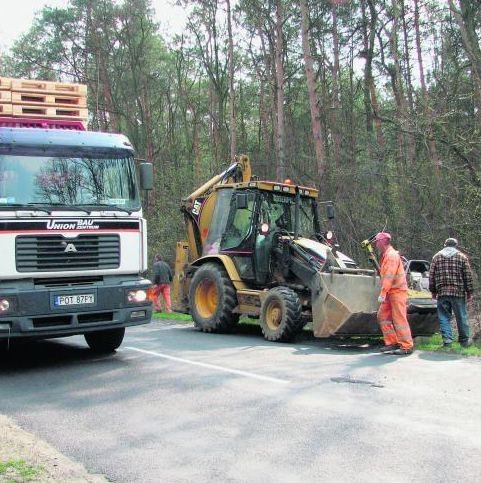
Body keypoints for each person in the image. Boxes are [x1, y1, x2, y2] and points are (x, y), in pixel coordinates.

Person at [374, 232, 414, 355]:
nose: (376, 245)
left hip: (396, 292)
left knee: (399, 319)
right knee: (382, 316)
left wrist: (383, 292)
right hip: (391, 292)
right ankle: (392, 342)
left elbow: (389, 276)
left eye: (376, 242)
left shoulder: (391, 256)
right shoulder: (388, 255)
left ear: (381, 242)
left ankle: (407, 346)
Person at [429, 238, 474, 348]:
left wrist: (433, 291)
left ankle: (447, 341)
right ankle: (464, 341)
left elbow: (431, 276)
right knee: (461, 316)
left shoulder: (436, 257)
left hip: (442, 292)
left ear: (445, 245)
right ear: (456, 245)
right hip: (458, 292)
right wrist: (469, 291)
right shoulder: (462, 257)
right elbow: (467, 276)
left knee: (444, 317)